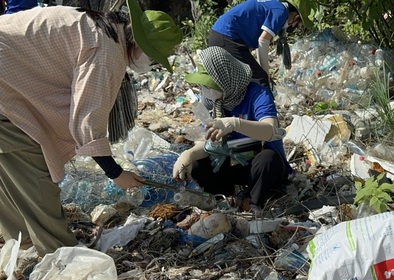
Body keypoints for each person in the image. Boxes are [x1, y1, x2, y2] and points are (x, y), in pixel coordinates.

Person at [0, 0, 183, 255]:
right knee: (33, 165)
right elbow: (87, 119)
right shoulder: (106, 50)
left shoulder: (99, 26)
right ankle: (59, 252)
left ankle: (21, 243)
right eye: (152, 56)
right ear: (140, 45)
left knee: (9, 164)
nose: (149, 63)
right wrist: (115, 172)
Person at [174, 46, 292, 213]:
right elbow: (207, 141)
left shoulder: (257, 94)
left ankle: (252, 202)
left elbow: (271, 130)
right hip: (233, 163)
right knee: (200, 164)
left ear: (223, 79)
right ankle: (223, 201)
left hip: (259, 167)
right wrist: (188, 155)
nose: (206, 91)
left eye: (209, 86)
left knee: (268, 159)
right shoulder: (215, 104)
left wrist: (235, 123)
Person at [208, 0, 303, 89]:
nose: (293, 28)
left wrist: (263, 71)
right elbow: (263, 41)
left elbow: (259, 44)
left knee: (241, 83)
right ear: (296, 17)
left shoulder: (274, 5)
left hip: (220, 35)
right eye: (297, 25)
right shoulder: (281, 12)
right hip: (227, 36)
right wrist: (265, 74)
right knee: (260, 81)